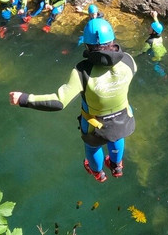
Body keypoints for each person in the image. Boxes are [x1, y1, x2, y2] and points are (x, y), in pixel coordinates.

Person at [9, 17, 136, 182]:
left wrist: (24, 99)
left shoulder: (82, 71)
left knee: (93, 147)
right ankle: (116, 166)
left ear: (87, 45)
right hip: (124, 118)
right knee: (117, 137)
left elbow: (59, 102)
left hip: (95, 125)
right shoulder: (128, 61)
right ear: (113, 40)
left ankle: (98, 173)